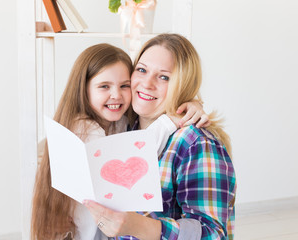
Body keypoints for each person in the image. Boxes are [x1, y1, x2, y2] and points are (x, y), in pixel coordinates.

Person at [31, 43, 211, 240]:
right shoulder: (84, 129)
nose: (116, 95)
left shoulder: (119, 120)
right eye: (104, 86)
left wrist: (190, 103)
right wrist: (169, 122)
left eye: (124, 85)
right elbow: (141, 151)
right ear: (84, 90)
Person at [83, 34, 236, 240]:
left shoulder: (196, 144)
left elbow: (213, 235)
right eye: (142, 70)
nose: (147, 83)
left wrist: (139, 226)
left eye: (164, 77)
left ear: (182, 85)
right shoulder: (124, 127)